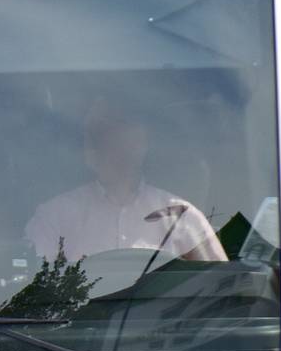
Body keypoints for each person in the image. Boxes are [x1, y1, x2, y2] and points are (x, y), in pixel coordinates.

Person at [23, 102, 230, 266]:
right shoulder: (55, 218)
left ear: (144, 145)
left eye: (126, 138)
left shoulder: (181, 217)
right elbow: (33, 289)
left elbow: (222, 291)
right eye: (103, 137)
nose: (117, 148)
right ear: (88, 150)